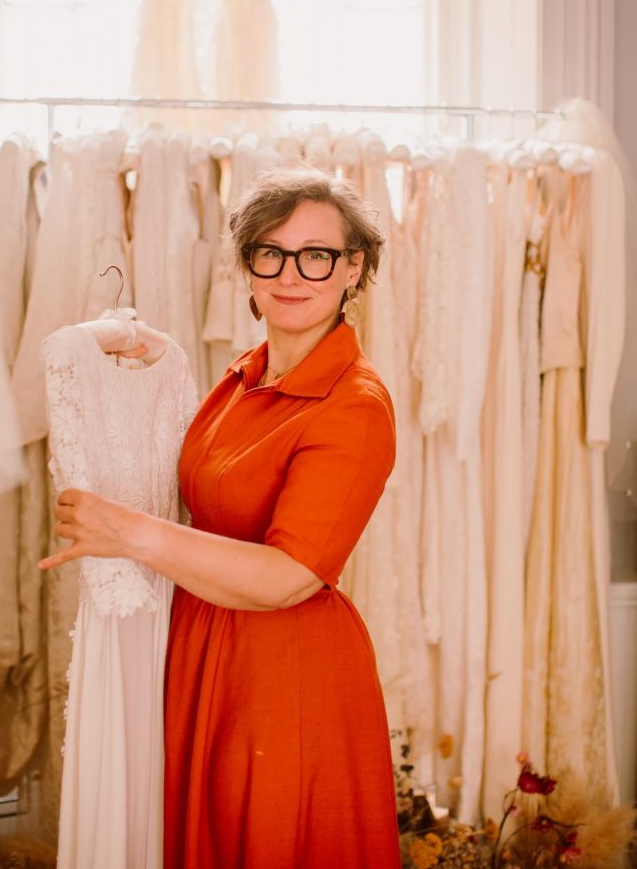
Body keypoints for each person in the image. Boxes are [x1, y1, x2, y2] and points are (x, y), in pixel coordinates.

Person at [40, 165, 401, 869]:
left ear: (352, 269)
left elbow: (289, 576)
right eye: (270, 252)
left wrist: (127, 532)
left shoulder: (354, 404)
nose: (291, 274)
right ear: (247, 266)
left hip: (282, 673)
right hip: (204, 645)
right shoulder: (244, 374)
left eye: (316, 256)